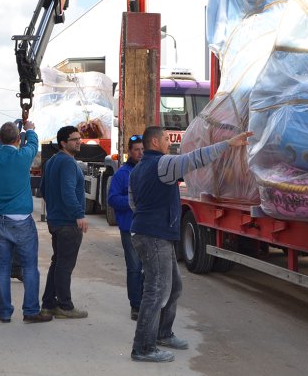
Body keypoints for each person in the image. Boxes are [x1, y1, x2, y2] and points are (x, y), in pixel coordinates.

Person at [129, 126, 252, 362]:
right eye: (166, 138)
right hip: (154, 236)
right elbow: (195, 159)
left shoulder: (137, 170)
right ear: (155, 142)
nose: (169, 142)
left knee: (173, 287)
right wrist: (228, 144)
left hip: (151, 233)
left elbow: (133, 203)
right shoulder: (163, 164)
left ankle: (163, 333)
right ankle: (143, 347)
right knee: (156, 291)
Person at [0, 121, 52, 324]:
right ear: (17, 140)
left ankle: (5, 312)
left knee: (2, 267)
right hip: (22, 220)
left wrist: (12, 132)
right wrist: (29, 128)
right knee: (29, 267)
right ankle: (30, 311)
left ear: (0, 139)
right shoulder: (24, 156)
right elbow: (33, 142)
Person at [39, 125, 89, 319]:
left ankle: (48, 305)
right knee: (65, 266)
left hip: (55, 221)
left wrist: (55, 209)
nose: (78, 142)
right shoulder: (68, 163)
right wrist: (79, 214)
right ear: (63, 143)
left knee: (57, 263)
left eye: (79, 139)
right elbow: (68, 191)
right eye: (74, 139)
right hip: (68, 223)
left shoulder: (52, 161)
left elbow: (43, 190)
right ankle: (65, 306)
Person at [107, 134, 145, 321]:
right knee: (135, 267)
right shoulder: (122, 174)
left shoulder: (149, 171)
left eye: (143, 149)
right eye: (136, 150)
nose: (140, 153)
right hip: (130, 229)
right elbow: (112, 199)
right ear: (129, 152)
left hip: (149, 228)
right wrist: (133, 201)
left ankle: (147, 303)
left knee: (149, 269)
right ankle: (136, 306)